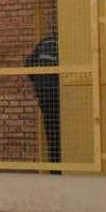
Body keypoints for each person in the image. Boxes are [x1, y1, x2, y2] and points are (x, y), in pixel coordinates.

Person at [25, 33, 60, 166]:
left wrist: (39, 83)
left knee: (51, 133)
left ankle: (55, 168)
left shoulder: (44, 41)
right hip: (58, 94)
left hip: (43, 93)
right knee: (61, 133)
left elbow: (28, 64)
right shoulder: (65, 44)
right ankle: (60, 167)